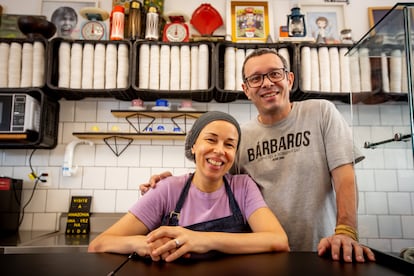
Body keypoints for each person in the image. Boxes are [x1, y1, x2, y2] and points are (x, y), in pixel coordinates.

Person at [140, 48, 376, 263]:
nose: (267, 83)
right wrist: (171, 185)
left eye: (275, 74)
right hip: (263, 255)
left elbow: (344, 175)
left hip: (324, 251)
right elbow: (217, 183)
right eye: (256, 78)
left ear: (289, 79)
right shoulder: (240, 137)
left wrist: (346, 231)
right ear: (246, 89)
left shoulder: (321, 112)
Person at [89, 111, 289, 262]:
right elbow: (99, 244)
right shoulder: (167, 189)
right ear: (193, 146)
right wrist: (141, 243)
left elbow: (278, 241)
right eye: (211, 139)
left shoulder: (243, 187)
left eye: (229, 144)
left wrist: (203, 240)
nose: (220, 150)